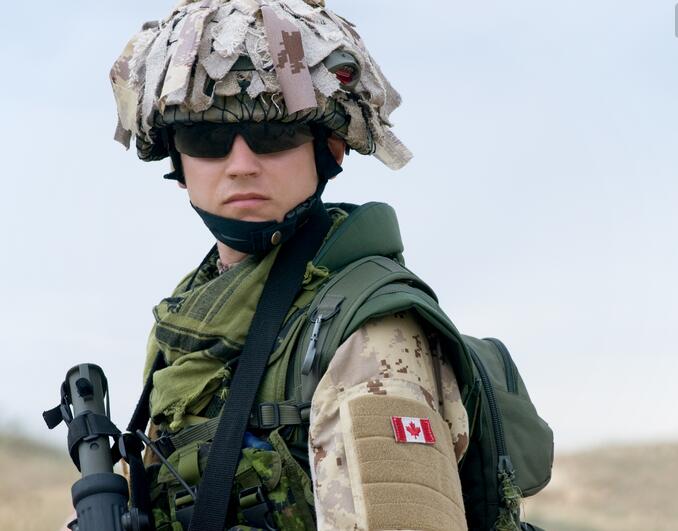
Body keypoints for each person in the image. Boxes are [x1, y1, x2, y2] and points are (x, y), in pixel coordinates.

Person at [109, 1, 470, 529]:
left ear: (330, 149)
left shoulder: (369, 329)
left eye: (274, 135)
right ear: (177, 159)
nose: (241, 165)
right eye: (206, 138)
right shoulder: (191, 310)